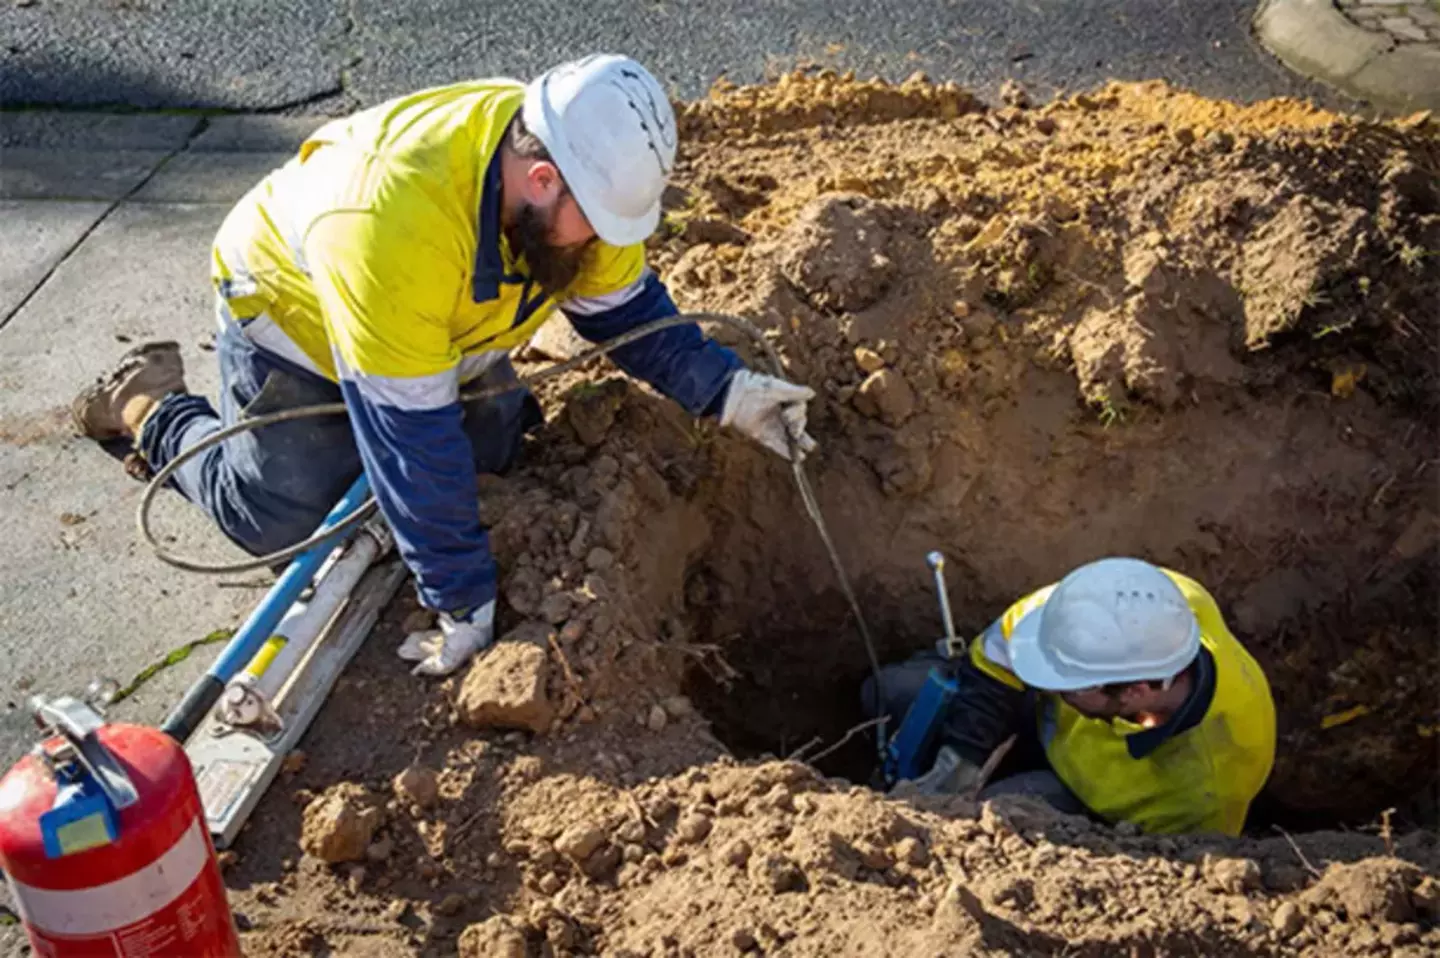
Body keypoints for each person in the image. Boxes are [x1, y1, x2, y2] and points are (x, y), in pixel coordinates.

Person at [71, 54, 817, 677]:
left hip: (442, 324)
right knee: (282, 515)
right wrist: (460, 599)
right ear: (542, 180)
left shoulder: (581, 190)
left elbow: (628, 314)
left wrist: (727, 391)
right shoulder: (389, 222)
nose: (603, 244)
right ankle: (153, 406)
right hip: (297, 316)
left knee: (491, 453)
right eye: (596, 226)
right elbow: (409, 436)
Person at [867, 557, 1276, 836]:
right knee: (885, 695)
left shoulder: (1202, 790)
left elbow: (1170, 871)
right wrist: (961, 757)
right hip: (1041, 723)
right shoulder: (1149, 598)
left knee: (989, 818)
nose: (1049, 685)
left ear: (1135, 691)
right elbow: (1002, 649)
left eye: (1067, 682)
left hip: (1080, 794)